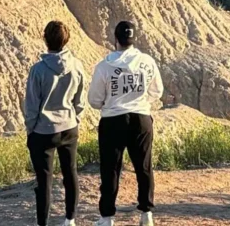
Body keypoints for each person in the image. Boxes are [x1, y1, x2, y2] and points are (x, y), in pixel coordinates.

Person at [89, 20, 163, 226]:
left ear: (116, 39)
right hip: (141, 118)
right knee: (144, 166)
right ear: (133, 39)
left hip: (113, 120)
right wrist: (141, 102)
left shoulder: (104, 66)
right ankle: (146, 213)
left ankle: (107, 217)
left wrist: (111, 102)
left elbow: (94, 100)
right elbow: (157, 91)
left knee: (110, 169)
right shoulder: (146, 62)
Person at [24, 20, 87, 226]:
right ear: (66, 40)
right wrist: (74, 118)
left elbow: (32, 105)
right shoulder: (77, 65)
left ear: (45, 39)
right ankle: (70, 220)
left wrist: (31, 129)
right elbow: (79, 100)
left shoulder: (38, 70)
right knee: (71, 174)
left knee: (44, 181)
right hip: (69, 128)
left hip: (43, 131)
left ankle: (43, 223)